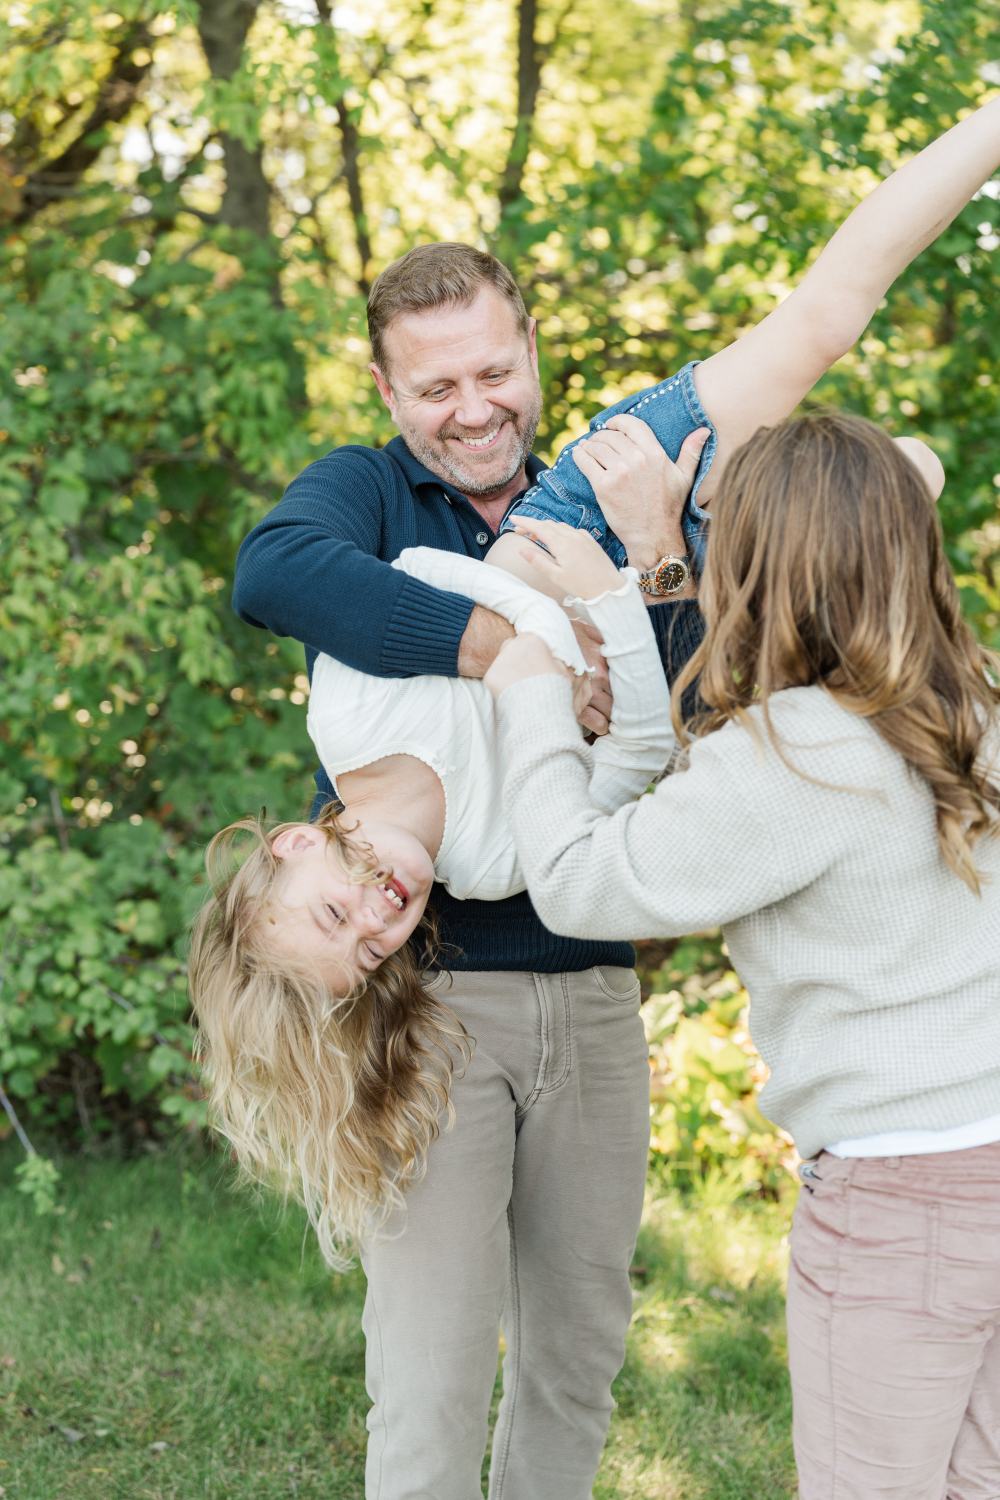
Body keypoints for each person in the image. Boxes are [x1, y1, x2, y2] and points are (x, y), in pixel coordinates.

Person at [223, 90, 1000, 1500]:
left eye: (491, 371)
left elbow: (831, 329)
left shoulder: (606, 473)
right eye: (433, 387)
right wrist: (524, 640)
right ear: (388, 397)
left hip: (599, 985)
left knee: (581, 1353)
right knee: (436, 1369)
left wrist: (631, 577)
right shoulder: (368, 504)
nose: (471, 407)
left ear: (532, 351)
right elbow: (274, 578)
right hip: (459, 999)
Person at [485, 411, 1000, 1500]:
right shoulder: (973, 699)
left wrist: (531, 692)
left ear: (762, 566)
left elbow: (581, 882)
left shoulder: (792, 753)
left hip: (903, 1199)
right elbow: (904, 473)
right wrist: (674, 544)